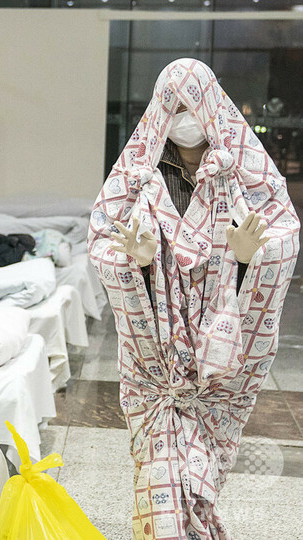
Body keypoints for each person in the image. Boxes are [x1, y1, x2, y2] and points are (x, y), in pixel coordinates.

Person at [88, 58, 299, 539]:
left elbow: (283, 232)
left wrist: (247, 259)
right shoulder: (140, 171)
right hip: (156, 363)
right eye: (175, 106)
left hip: (218, 361)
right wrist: (139, 263)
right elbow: (103, 234)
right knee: (158, 471)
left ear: (213, 106)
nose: (185, 118)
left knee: (202, 474)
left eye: (193, 105)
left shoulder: (244, 170)